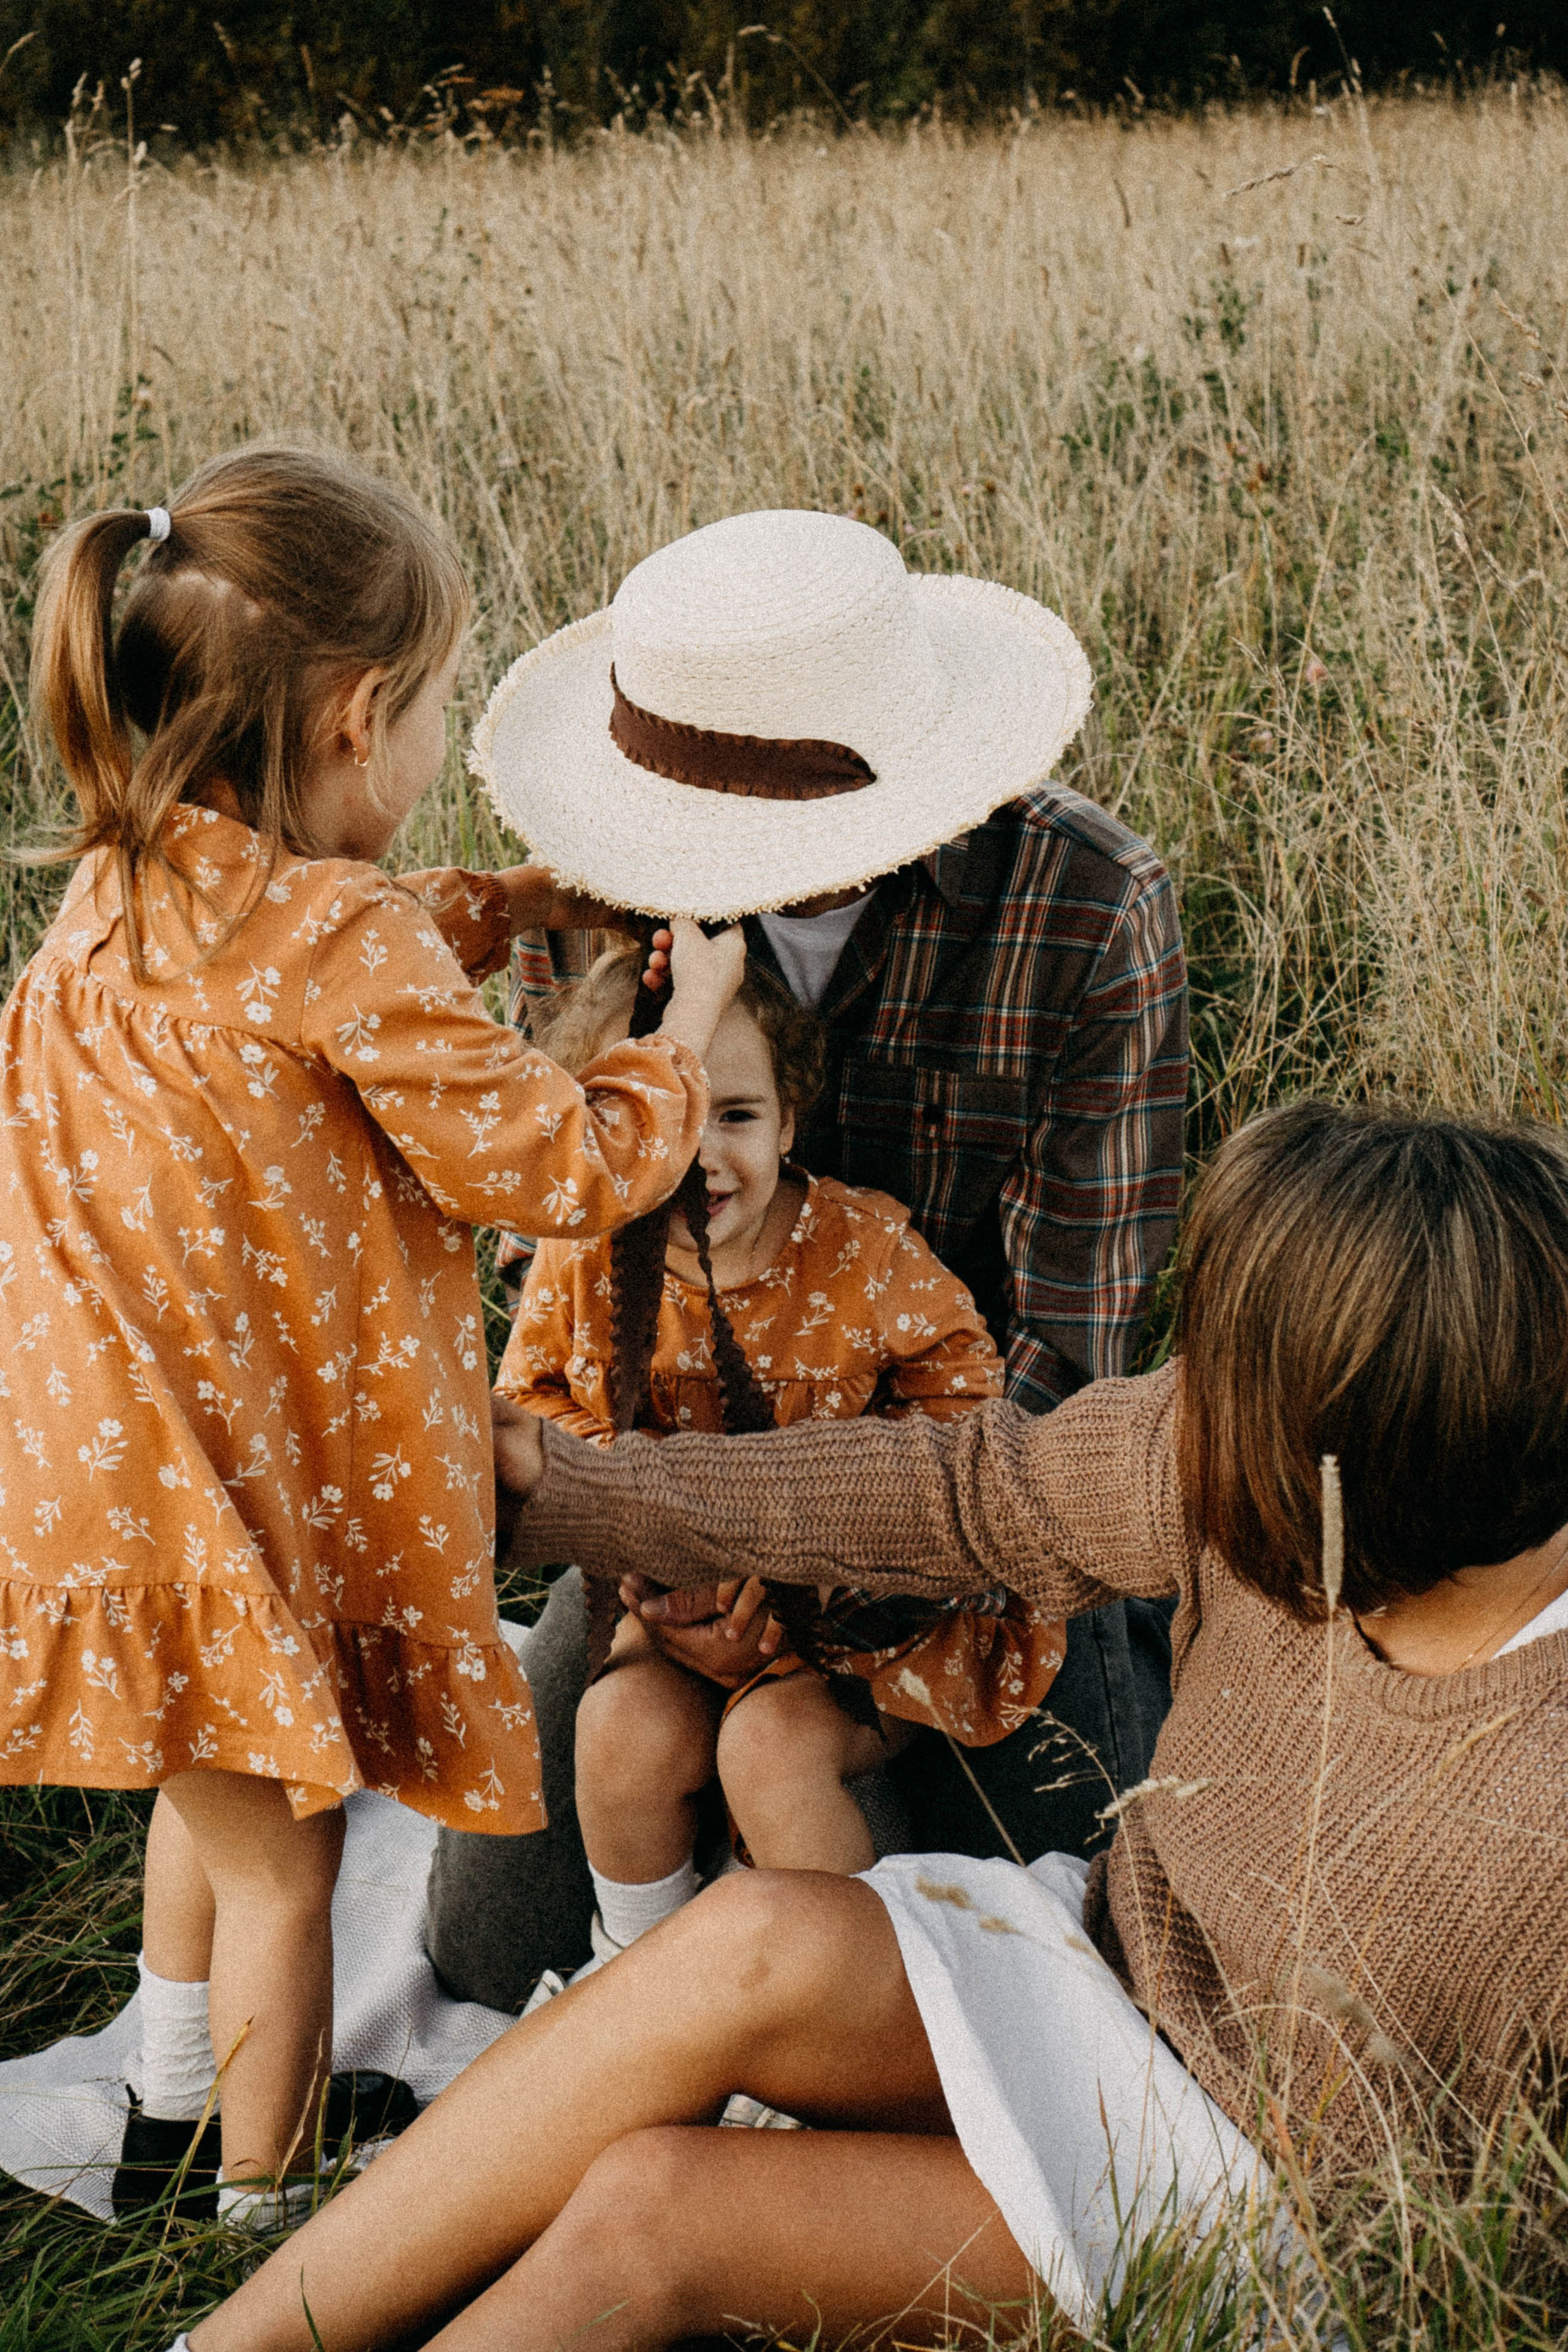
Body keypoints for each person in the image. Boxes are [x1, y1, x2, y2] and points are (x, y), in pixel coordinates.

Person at [168, 1102, 1568, 2351]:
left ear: (1368, 1456)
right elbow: (964, 1491)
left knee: (656, 2213)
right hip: (1113, 1982)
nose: (1186, 1414)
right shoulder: (1249, 1450)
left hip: (1254, 2206)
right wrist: (578, 1487)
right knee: (747, 1938)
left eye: (1228, 1392)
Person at [0, 447, 743, 2224]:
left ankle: (175, 2108)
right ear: (353, 717)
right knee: (292, 1866)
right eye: (432, 712)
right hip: (243, 1493)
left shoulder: (119, 896)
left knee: (217, 1792)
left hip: (117, 1491)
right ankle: (263, 2215)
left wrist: (507, 904)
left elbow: (360, 949)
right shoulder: (333, 934)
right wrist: (682, 1030)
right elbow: (560, 1164)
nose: (428, 751)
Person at [427, 505, 1188, 2008]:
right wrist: (641, 1546)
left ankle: (825, 1935)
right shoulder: (592, 895)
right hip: (657, 1504)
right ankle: (699, 1952)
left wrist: (804, 1574)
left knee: (1103, 1941)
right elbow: (558, 1293)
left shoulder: (1087, 907)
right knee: (481, 1944)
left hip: (972, 1541)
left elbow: (1055, 1367)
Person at [501, 946, 1066, 1956]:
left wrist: (805, 1550)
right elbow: (531, 1402)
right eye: (657, 1122)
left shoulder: (861, 1253)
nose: (699, 1156)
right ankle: (643, 1976)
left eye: (737, 1116)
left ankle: (836, 2011)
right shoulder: (582, 1255)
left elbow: (968, 1406)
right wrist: (650, 1547)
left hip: (854, 1605)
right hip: (675, 1587)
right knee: (617, 1733)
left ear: (791, 1120)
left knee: (770, 1749)